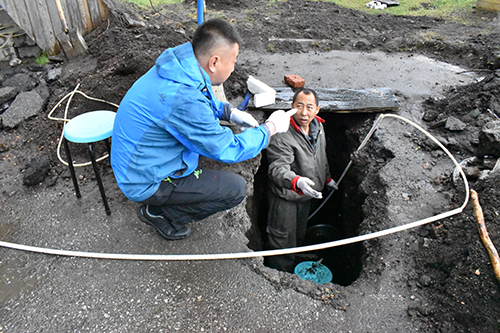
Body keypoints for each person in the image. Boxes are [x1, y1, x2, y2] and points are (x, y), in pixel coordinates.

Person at [111, 18, 294, 240]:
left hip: (136, 158)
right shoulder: (182, 97)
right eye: (233, 61)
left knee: (204, 160)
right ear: (215, 62)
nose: (234, 66)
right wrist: (270, 129)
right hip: (143, 179)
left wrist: (228, 112)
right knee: (235, 189)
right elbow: (227, 149)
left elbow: (196, 98)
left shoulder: (182, 65)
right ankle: (159, 212)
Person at [265, 88, 338, 273]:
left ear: (317, 110)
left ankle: (295, 267)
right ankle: (280, 278)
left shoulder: (318, 128)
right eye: (299, 106)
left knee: (298, 236)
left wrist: (327, 178)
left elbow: (321, 157)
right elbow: (277, 169)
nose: (304, 112)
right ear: (291, 107)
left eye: (309, 107)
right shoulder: (281, 134)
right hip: (286, 199)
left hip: (305, 198)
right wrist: (296, 181)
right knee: (282, 241)